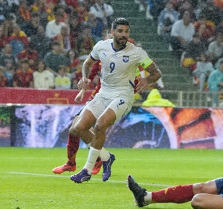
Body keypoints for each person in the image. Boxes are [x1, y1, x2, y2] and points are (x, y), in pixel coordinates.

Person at [69, 18, 161, 184]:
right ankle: (106, 157)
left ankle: (86, 170)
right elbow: (87, 63)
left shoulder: (136, 52)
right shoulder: (101, 46)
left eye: (126, 31)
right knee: (78, 128)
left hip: (122, 96)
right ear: (112, 33)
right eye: (120, 31)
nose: (123, 35)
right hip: (103, 93)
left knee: (100, 126)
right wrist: (84, 78)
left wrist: (147, 81)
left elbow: (156, 73)